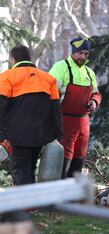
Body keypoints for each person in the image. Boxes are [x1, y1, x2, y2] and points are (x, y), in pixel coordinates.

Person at [0, 46, 62, 221]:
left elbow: (1, 105)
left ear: (13, 59)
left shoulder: (7, 77)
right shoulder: (48, 78)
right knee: (30, 167)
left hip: (17, 133)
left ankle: (25, 206)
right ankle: (30, 202)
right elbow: (56, 110)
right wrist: (57, 135)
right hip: (41, 134)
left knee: (20, 168)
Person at [49, 37, 102, 178]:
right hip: (65, 120)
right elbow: (49, 91)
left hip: (84, 122)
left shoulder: (89, 73)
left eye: (86, 54)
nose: (83, 57)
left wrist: (94, 102)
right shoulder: (60, 67)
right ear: (74, 52)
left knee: (80, 157)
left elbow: (96, 94)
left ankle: (73, 192)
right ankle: (59, 190)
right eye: (80, 53)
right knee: (65, 157)